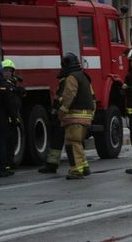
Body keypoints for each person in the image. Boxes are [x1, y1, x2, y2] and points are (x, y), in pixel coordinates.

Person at [56, 52, 96, 180]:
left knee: (72, 142)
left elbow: (70, 94)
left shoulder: (71, 77)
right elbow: (92, 97)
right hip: (86, 116)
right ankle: (84, 166)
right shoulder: (84, 76)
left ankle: (76, 170)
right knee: (77, 142)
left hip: (75, 116)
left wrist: (62, 110)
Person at [0, 59, 25, 173]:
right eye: (5, 71)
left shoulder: (11, 84)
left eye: (10, 71)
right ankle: (6, 165)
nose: (8, 73)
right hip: (7, 118)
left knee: (10, 142)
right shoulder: (4, 85)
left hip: (11, 117)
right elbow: (9, 104)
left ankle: (5, 164)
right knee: (7, 142)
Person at [37, 74, 66, 174]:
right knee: (63, 141)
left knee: (65, 142)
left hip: (65, 116)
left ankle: (53, 165)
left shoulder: (68, 80)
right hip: (67, 116)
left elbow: (60, 99)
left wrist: (56, 112)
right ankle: (52, 164)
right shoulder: (76, 79)